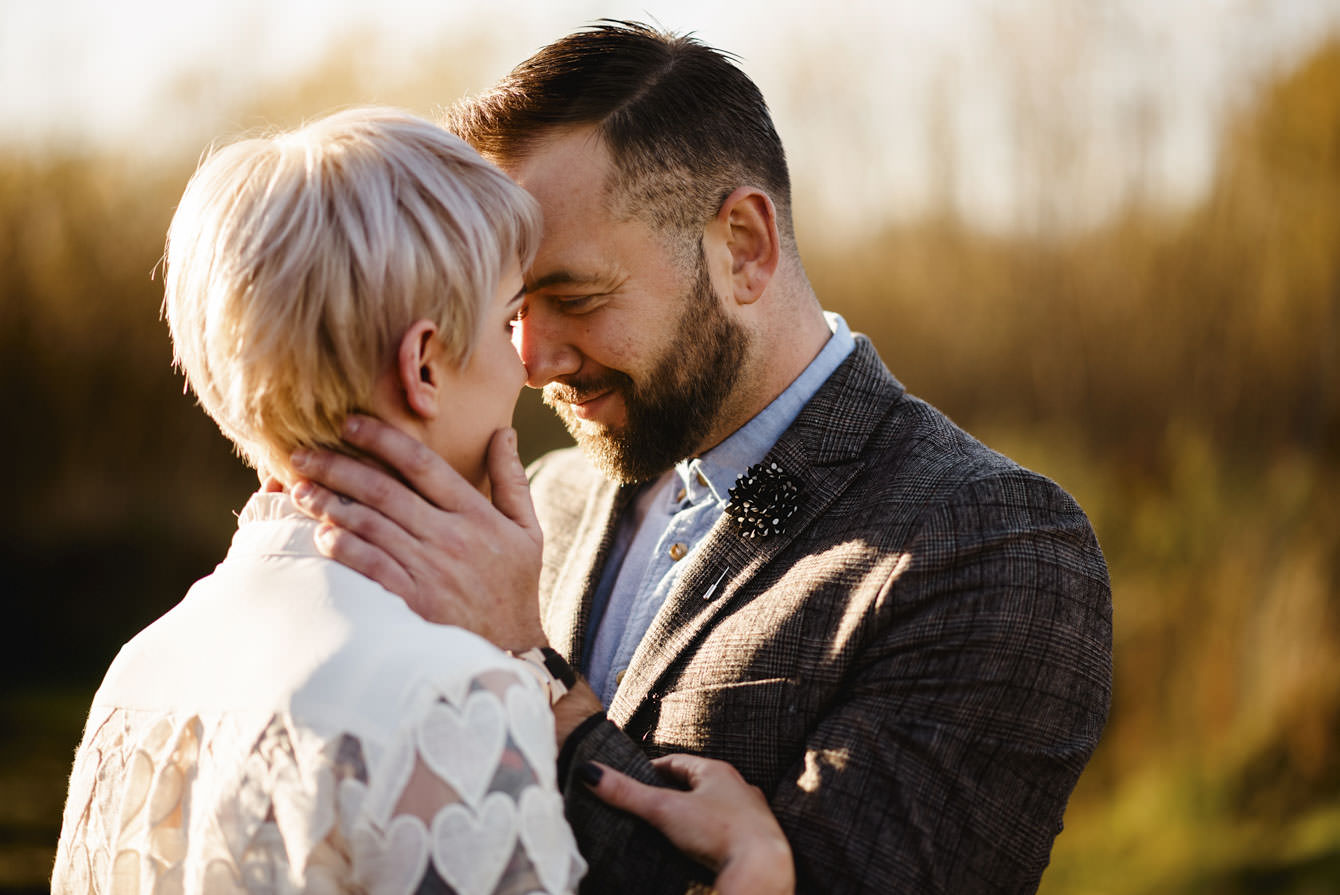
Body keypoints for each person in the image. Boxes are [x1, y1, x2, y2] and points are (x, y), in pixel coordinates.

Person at [289, 21, 1114, 895]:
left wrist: (527, 668)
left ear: (743, 247)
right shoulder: (548, 499)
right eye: (510, 308)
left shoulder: (995, 546)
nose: (531, 362)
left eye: (573, 296)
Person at [51, 108, 591, 894]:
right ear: (424, 366)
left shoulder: (136, 673)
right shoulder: (456, 696)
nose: (530, 369)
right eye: (508, 320)